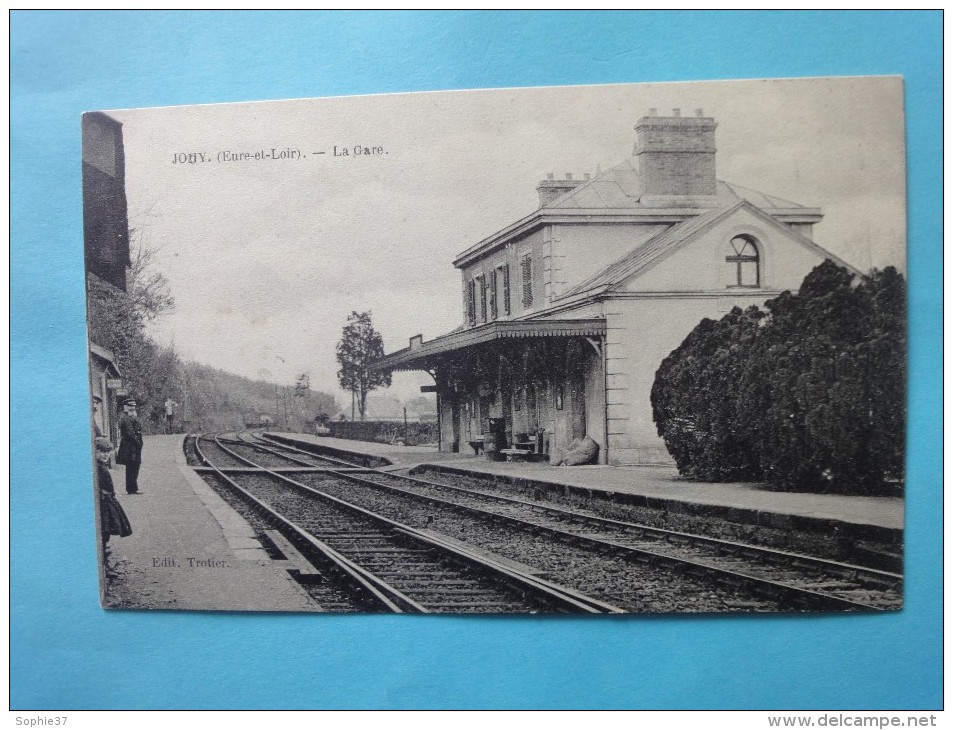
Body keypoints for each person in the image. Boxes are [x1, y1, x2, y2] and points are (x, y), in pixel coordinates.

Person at [95, 436, 132, 548]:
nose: (105, 455)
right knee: (105, 525)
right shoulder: (98, 468)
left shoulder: (102, 466)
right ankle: (103, 549)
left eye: (107, 452)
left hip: (108, 498)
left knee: (108, 524)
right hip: (104, 500)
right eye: (101, 452)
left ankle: (104, 546)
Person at [116, 398, 143, 494]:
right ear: (126, 407)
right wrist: (138, 442)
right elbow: (130, 433)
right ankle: (132, 489)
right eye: (131, 407)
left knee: (133, 467)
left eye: (134, 407)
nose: (133, 408)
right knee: (132, 467)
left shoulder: (130, 417)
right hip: (130, 447)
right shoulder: (126, 418)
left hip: (132, 447)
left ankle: (132, 488)